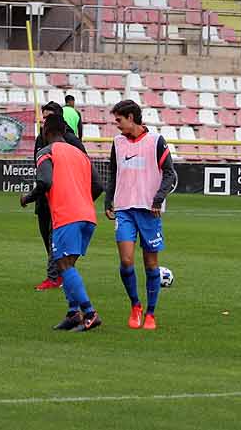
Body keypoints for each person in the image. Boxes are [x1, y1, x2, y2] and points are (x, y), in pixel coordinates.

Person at [20, 112, 105, 331]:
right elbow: (98, 185)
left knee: (64, 264)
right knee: (67, 265)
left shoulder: (46, 152)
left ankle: (89, 313)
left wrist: (27, 198)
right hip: (88, 216)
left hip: (67, 217)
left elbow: (45, 181)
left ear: (45, 132)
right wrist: (83, 201)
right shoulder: (80, 154)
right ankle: (72, 313)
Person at [105, 99, 177, 330]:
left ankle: (151, 313)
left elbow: (170, 174)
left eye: (119, 120)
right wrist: (108, 200)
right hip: (124, 209)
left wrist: (158, 199)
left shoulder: (156, 141)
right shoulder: (117, 142)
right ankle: (135, 305)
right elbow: (113, 174)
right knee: (126, 261)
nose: (117, 125)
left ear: (131, 118)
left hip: (149, 211)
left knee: (150, 263)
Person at [32, 102, 77, 291]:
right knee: (46, 236)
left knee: (55, 236)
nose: (44, 121)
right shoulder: (40, 140)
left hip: (62, 198)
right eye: (43, 117)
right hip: (44, 197)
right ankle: (60, 272)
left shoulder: (72, 141)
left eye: (48, 117)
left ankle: (55, 276)